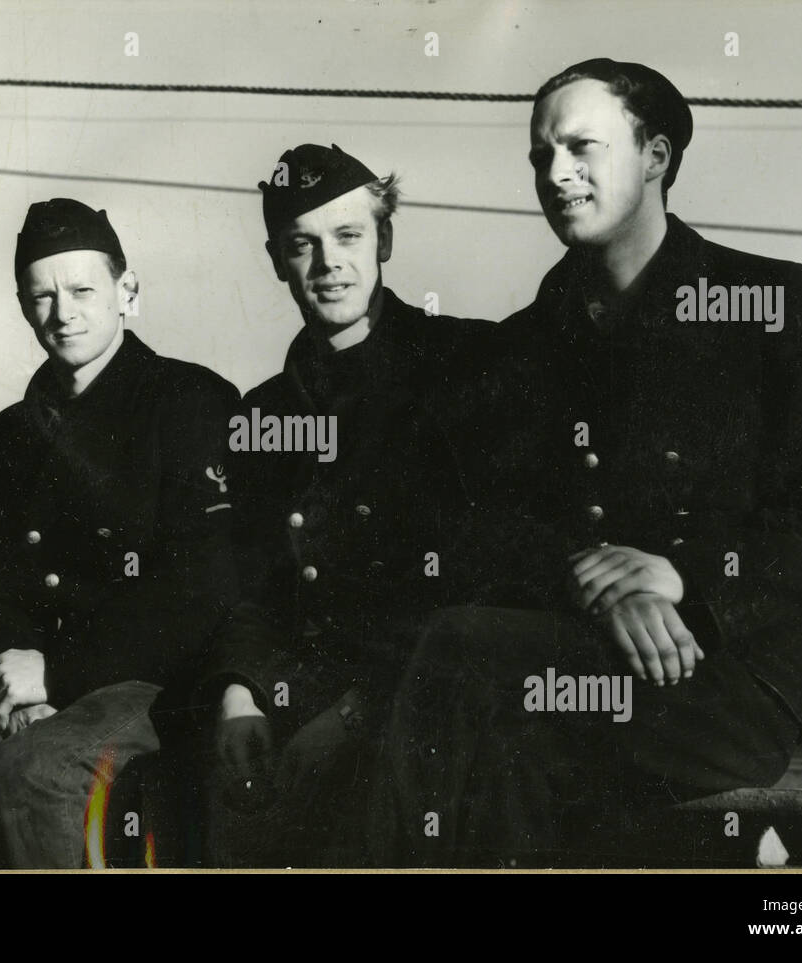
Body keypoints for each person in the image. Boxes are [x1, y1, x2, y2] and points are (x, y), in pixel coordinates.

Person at [363, 58, 802, 866]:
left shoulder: (769, 303)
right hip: (566, 659)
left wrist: (686, 582)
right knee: (506, 758)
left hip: (724, 679)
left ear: (656, 157)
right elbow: (471, 524)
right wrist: (585, 577)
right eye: (541, 155)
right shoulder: (523, 346)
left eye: (580, 147)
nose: (555, 174)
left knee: (463, 666)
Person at [0, 199, 239, 869]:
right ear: (25, 308)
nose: (64, 312)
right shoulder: (16, 432)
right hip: (28, 679)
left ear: (128, 290)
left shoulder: (188, 401)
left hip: (151, 681)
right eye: (42, 296)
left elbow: (198, 589)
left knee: (31, 773)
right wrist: (14, 668)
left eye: (83, 289)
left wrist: (58, 671)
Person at [190, 144, 509, 866]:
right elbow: (251, 584)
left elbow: (480, 576)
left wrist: (360, 711)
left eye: (348, 236)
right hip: (294, 700)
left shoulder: (463, 369)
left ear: (385, 239)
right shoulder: (265, 412)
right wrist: (240, 692)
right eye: (302, 245)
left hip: (421, 706)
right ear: (276, 259)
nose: (328, 263)